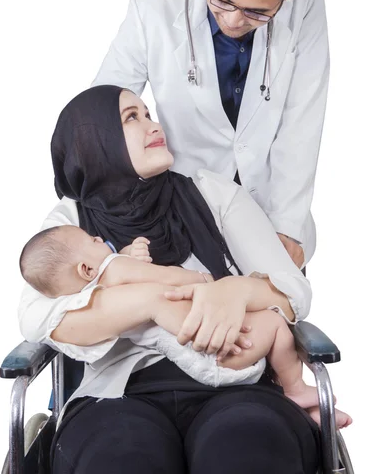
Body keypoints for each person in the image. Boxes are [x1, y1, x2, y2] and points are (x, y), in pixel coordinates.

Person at [19, 85, 323, 473]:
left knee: (247, 447)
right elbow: (36, 318)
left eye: (147, 113)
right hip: (121, 393)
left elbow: (293, 289)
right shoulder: (72, 223)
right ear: (97, 141)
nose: (153, 124)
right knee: (120, 459)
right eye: (132, 117)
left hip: (236, 381)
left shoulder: (213, 194)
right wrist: (152, 303)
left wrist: (233, 290)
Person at [92, 0, 330, 269]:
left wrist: (288, 227)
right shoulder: (151, 12)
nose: (234, 20)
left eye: (257, 13)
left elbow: (304, 113)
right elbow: (98, 124)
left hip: (269, 210)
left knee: (273, 320)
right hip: (180, 214)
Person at [19, 223, 352, 429]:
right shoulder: (115, 269)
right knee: (275, 323)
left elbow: (120, 274)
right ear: (85, 269)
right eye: (91, 240)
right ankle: (294, 389)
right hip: (208, 352)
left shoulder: (92, 292)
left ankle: (304, 407)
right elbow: (165, 281)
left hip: (184, 357)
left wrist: (125, 255)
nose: (97, 237)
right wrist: (207, 281)